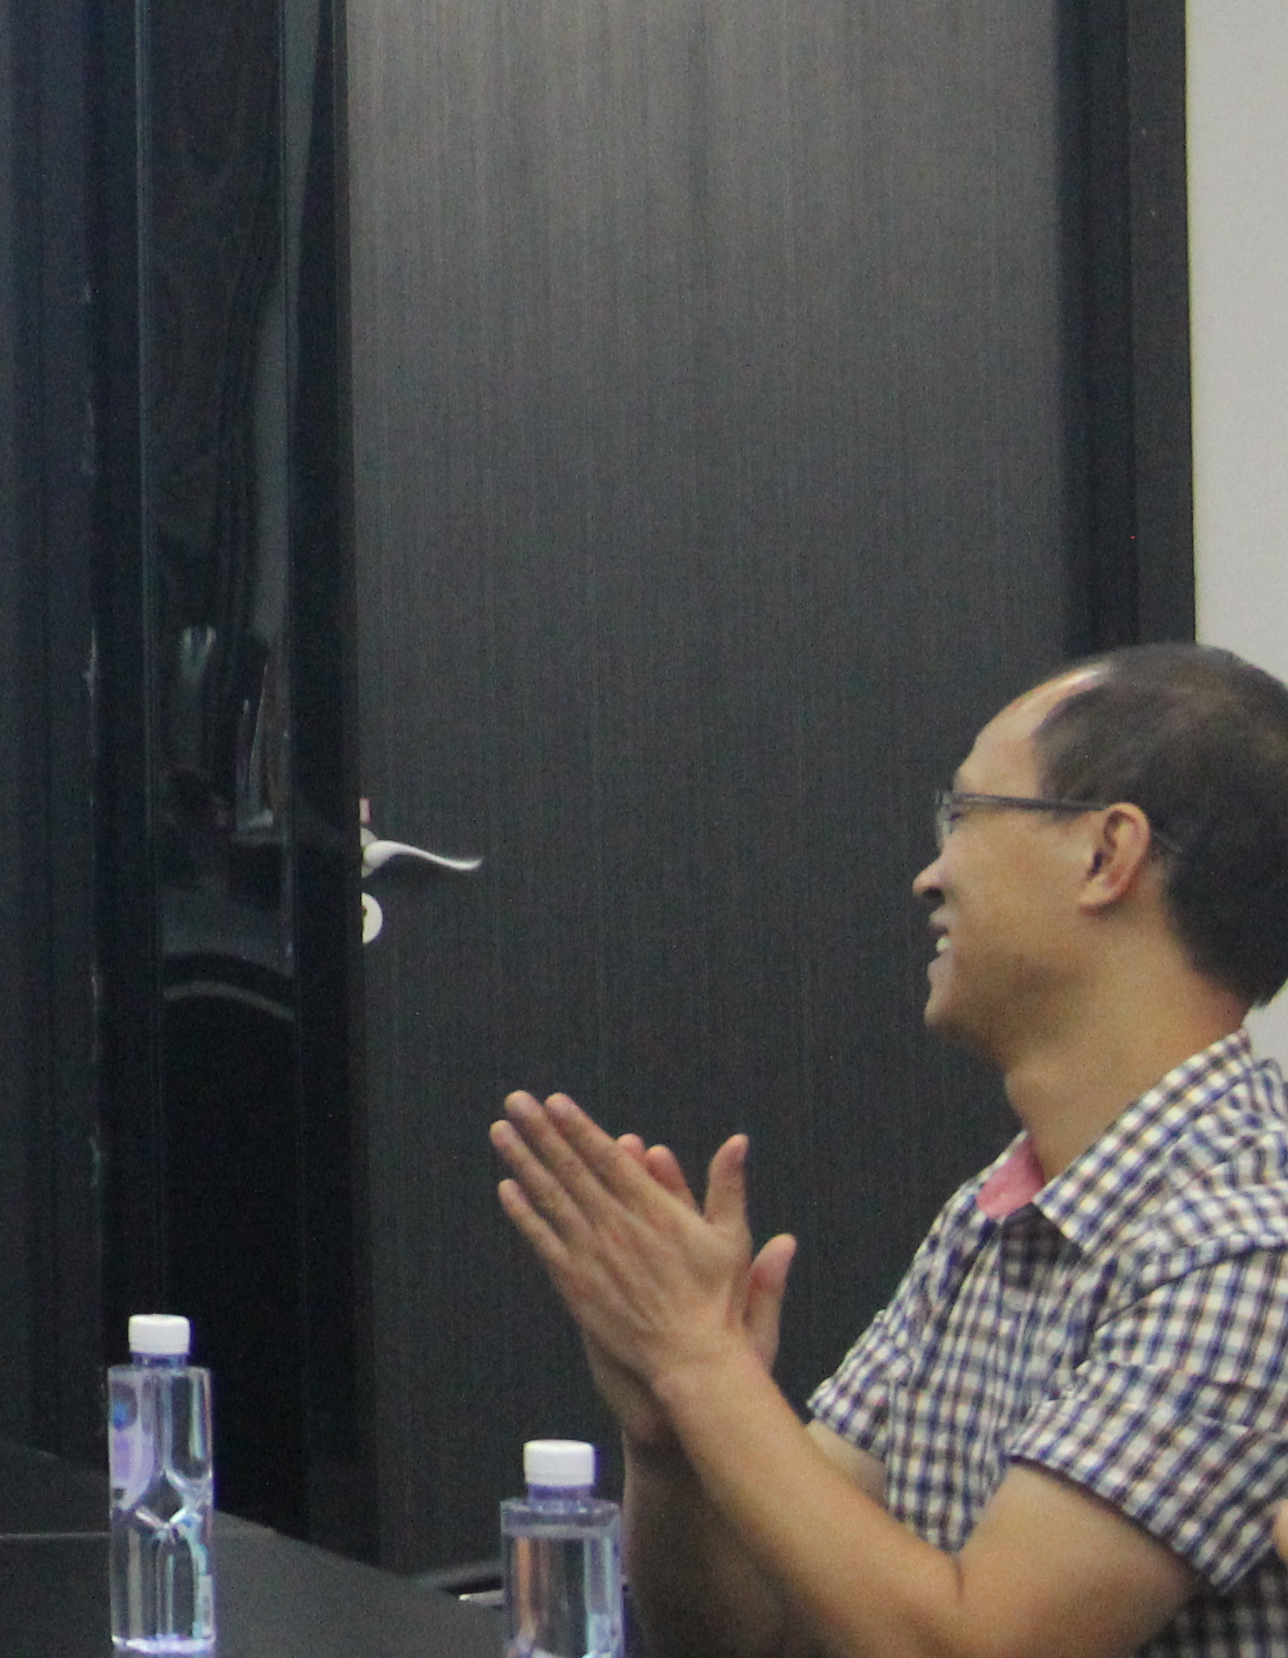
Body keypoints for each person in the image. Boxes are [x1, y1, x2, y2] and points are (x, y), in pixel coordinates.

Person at [496, 644, 1288, 1658]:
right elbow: (754, 1625)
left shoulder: (1247, 1240)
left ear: (1105, 855)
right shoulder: (996, 1212)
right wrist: (671, 1440)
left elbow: (977, 1646)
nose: (929, 875)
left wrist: (701, 1361)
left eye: (965, 814)